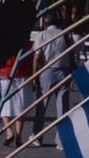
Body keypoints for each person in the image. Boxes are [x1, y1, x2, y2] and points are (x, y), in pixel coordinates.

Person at [31, 12, 73, 148]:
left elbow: (37, 57)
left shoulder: (42, 35)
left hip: (47, 70)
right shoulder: (65, 34)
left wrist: (34, 76)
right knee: (62, 107)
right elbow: (72, 52)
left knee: (42, 105)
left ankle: (37, 137)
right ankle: (61, 140)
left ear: (45, 23)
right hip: (64, 69)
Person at [0, 42, 36, 147]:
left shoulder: (6, 43)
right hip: (24, 74)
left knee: (4, 106)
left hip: (7, 73)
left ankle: (9, 132)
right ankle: (18, 137)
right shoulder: (29, 44)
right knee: (21, 108)